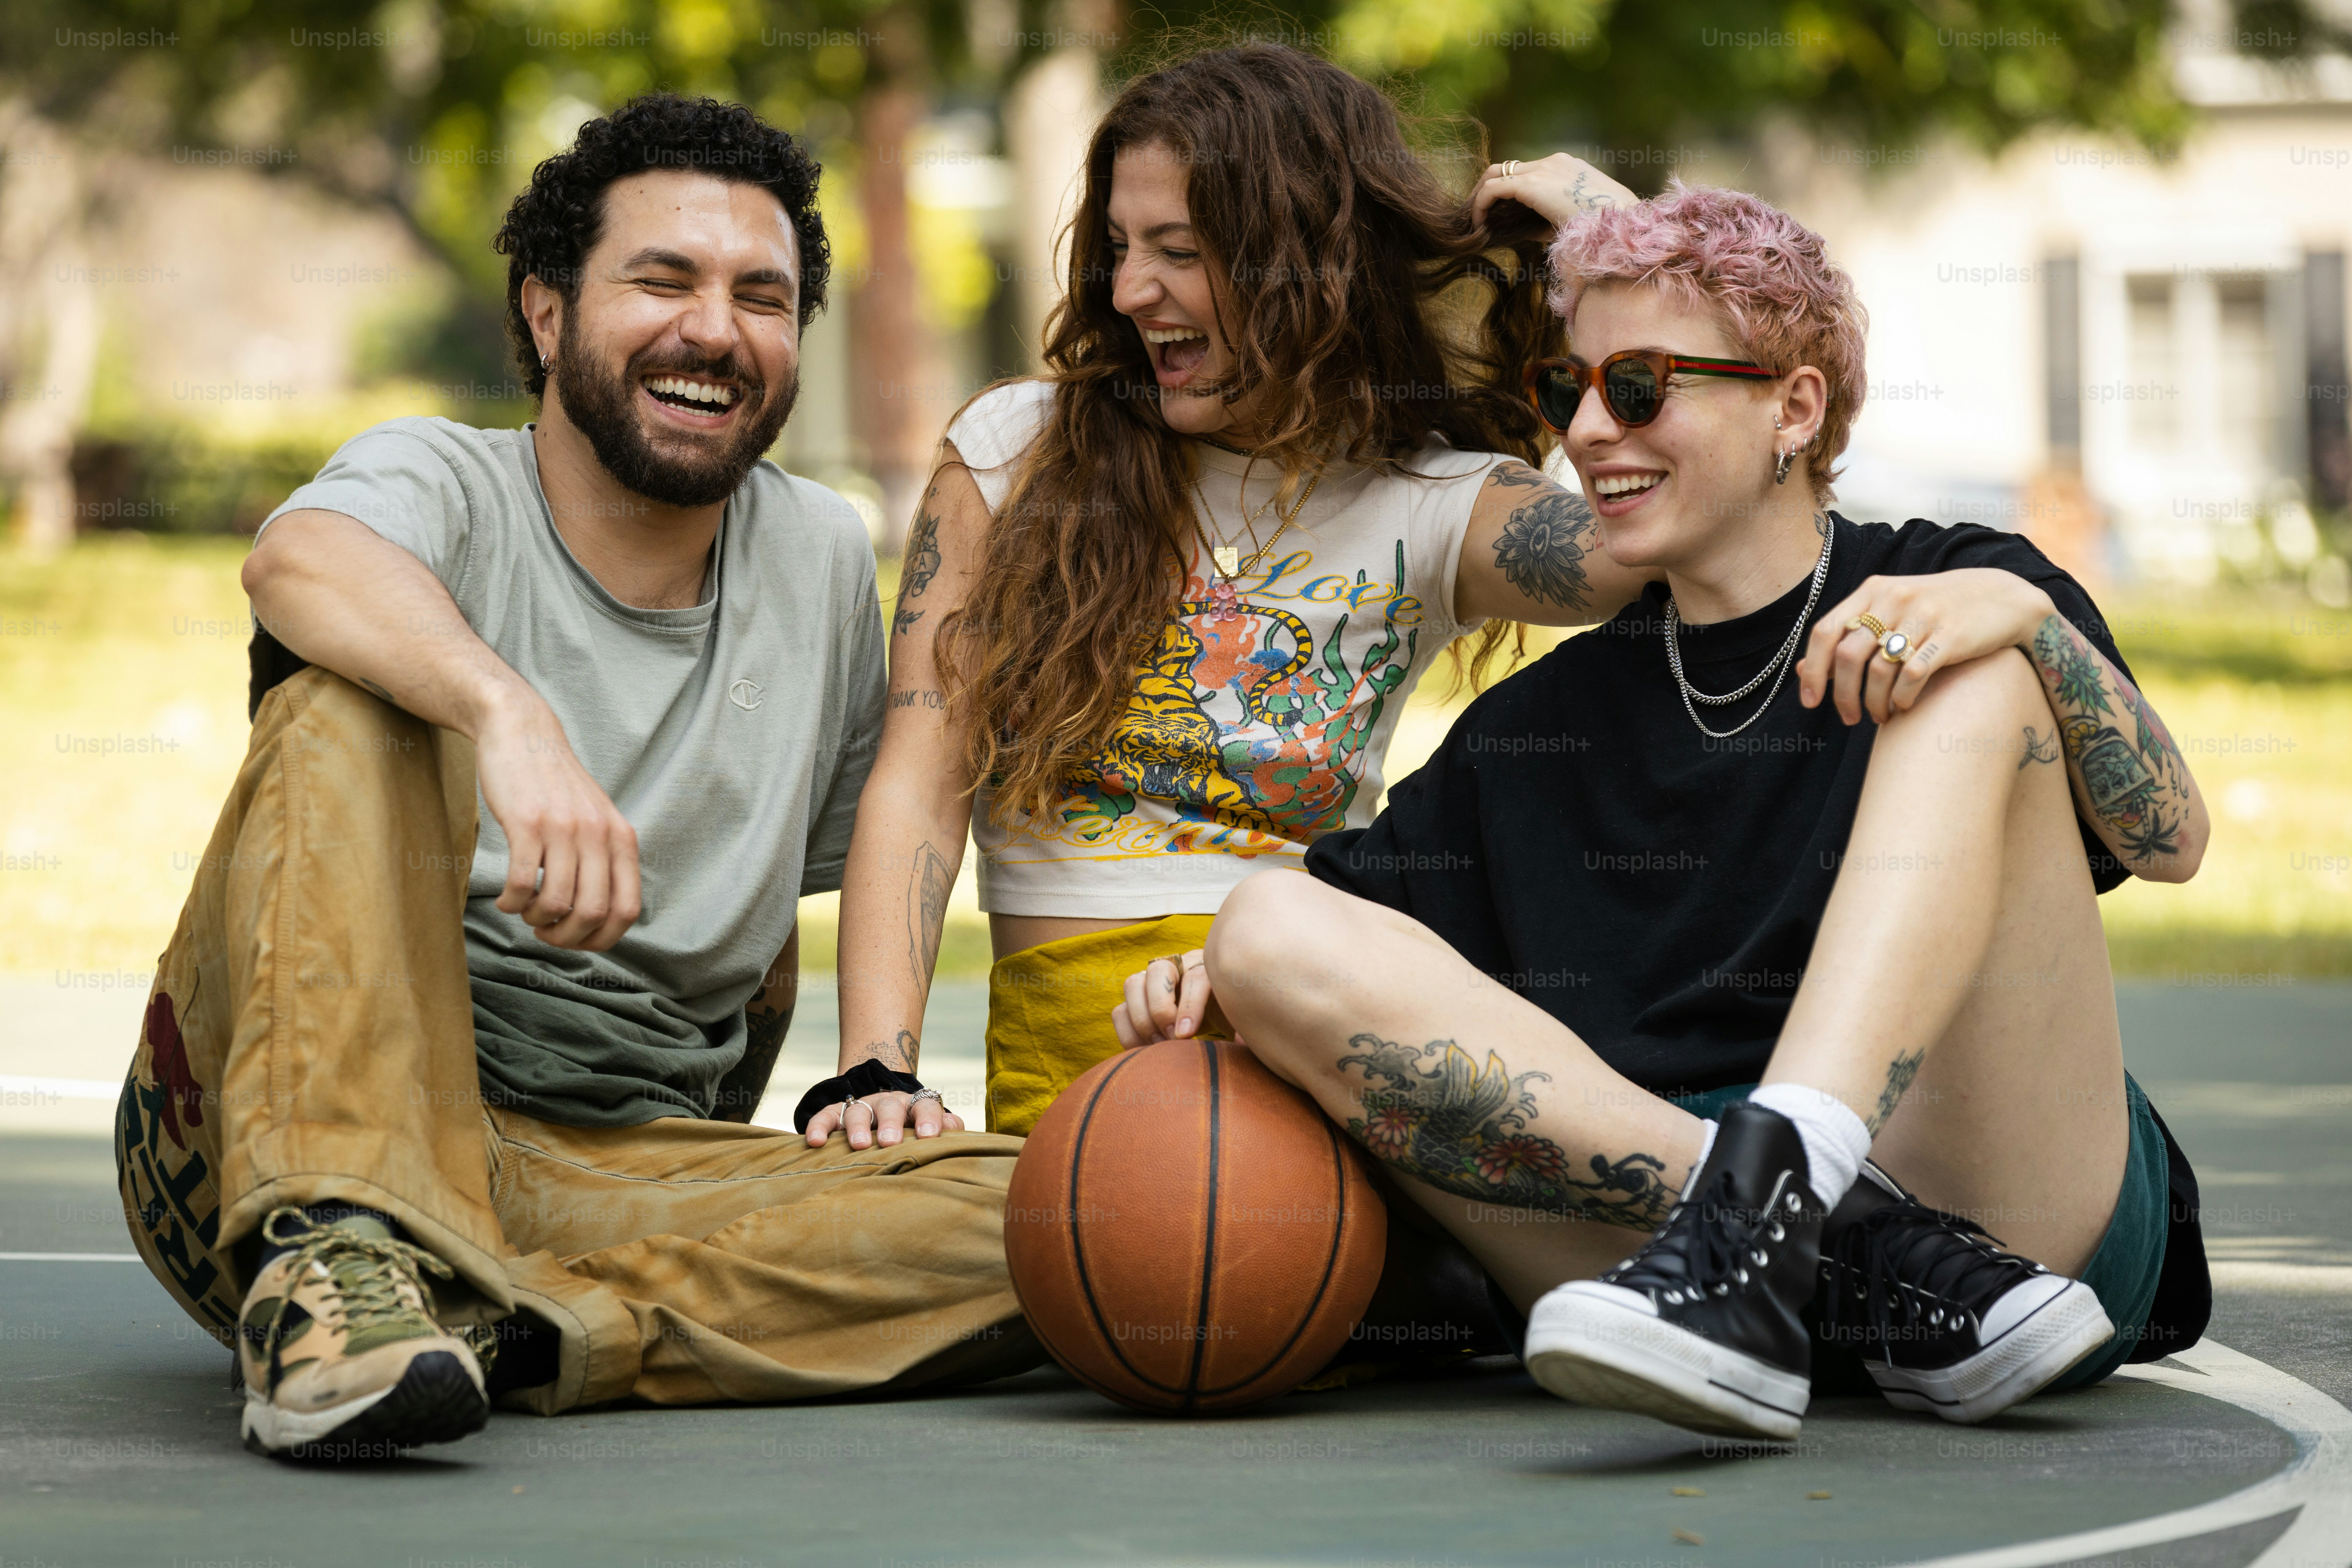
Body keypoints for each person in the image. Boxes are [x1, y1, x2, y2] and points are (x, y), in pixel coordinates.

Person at [804, 44, 2101, 1175]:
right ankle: (1780, 1210)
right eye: (1120, 249)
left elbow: (1687, 497)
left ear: (1300, 266)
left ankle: (1771, 1212)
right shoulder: (1012, 453)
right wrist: (876, 1067)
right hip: (1075, 1052)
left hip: (1329, 1049)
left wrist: (1610, 224)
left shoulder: (1433, 502)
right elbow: (918, 777)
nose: (1132, 290)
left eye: (1182, 254)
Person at [1118, 182, 2213, 1440]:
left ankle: (1789, 1195)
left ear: (1794, 408)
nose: (1586, 430)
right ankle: (1807, 1240)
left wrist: (2033, 630)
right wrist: (1213, 987)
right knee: (1261, 928)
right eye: (1567, 391)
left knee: (1970, 679)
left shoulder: (1950, 582)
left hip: (2014, 1239)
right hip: (1664, 1272)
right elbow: (1340, 962)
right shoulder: (1539, 729)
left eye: (1636, 386)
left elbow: (2170, 845)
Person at [114, 94, 1037, 1462]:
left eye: (760, 297)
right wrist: (503, 709)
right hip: (281, 1125)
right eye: (660, 281)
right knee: (339, 701)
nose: (713, 331)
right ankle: (333, 1261)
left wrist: (824, 1110)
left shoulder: (820, 554)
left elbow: (770, 930)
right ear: (546, 316)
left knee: (1059, 1218)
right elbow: (295, 563)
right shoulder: (439, 480)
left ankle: (510, 1327)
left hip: (597, 1165)